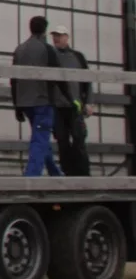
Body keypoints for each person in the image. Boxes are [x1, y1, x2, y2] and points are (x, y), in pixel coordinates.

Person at [11, 15, 63, 177]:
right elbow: (59, 78)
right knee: (39, 140)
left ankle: (55, 172)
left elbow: (13, 79)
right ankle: (31, 176)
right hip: (42, 101)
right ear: (45, 30)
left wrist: (17, 106)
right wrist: (68, 97)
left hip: (24, 102)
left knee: (41, 137)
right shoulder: (47, 49)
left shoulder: (19, 49)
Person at [49, 26, 93, 178]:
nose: (56, 38)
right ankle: (67, 174)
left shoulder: (78, 57)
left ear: (67, 37)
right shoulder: (50, 57)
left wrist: (88, 102)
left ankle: (83, 174)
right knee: (62, 141)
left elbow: (87, 81)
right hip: (57, 107)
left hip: (75, 106)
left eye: (59, 35)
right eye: (54, 35)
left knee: (79, 139)